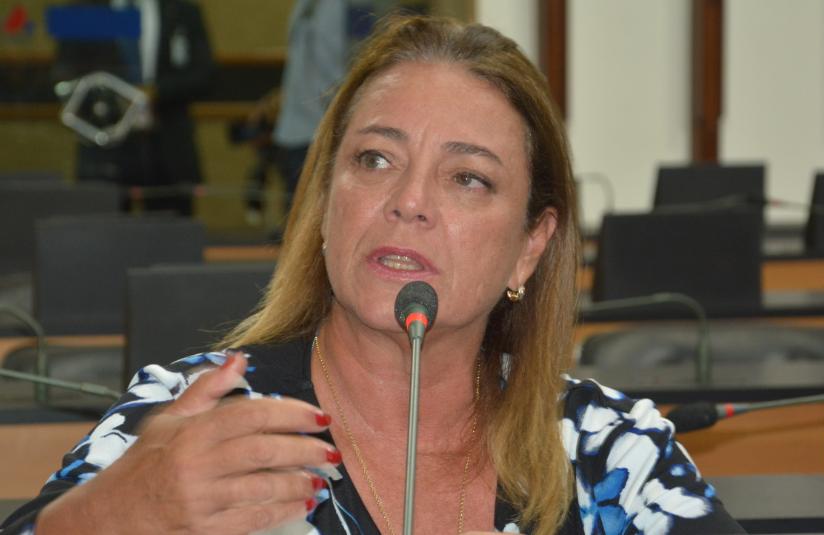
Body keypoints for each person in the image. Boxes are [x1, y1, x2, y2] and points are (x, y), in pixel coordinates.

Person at [3, 15, 745, 535]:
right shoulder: (195, 418)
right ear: (326, 204)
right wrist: (114, 516)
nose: (409, 201)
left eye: (468, 178)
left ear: (530, 246)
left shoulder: (609, 449)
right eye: (376, 159)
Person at [53, 0, 213, 216]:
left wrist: (156, 92)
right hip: (104, 149)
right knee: (102, 230)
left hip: (167, 150)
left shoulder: (182, 11)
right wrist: (115, 96)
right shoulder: (83, 11)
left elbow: (204, 75)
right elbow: (65, 73)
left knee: (171, 231)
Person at [272, 0, 348, 217]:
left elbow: (361, 61)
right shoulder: (305, 4)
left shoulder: (354, 4)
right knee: (298, 223)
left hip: (331, 133)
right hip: (296, 133)